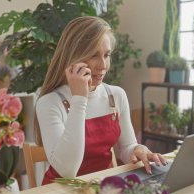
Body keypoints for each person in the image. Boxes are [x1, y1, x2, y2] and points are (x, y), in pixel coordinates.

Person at [35, 16, 167, 185]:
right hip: (60, 192)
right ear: (73, 57)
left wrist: (137, 149)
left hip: (104, 189)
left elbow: (127, 148)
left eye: (107, 55)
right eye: (93, 55)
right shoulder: (49, 102)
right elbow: (67, 171)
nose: (103, 65)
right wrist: (79, 99)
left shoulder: (116, 95)